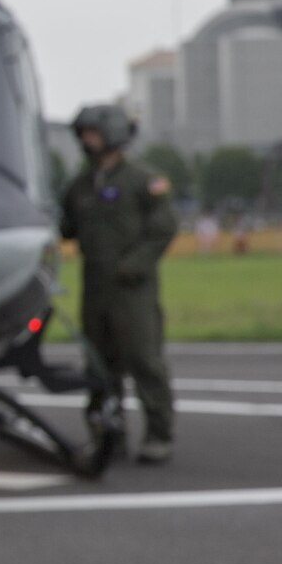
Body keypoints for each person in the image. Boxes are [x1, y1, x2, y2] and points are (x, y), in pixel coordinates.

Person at [60, 103, 178, 464]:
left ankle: (159, 435)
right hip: (95, 288)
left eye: (93, 132)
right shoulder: (80, 185)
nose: (86, 139)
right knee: (98, 365)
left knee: (144, 361)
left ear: (112, 134)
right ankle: (107, 434)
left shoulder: (143, 181)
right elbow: (67, 227)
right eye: (83, 133)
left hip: (133, 290)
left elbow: (163, 229)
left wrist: (133, 266)